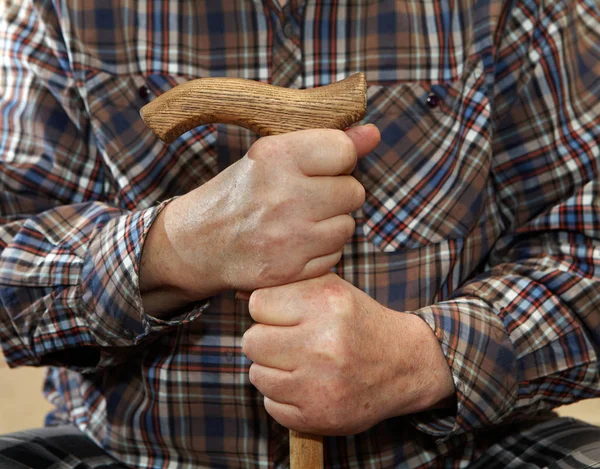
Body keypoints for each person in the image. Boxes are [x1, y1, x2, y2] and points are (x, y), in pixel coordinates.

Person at [0, 0, 598, 467]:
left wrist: (421, 360)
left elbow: (587, 246)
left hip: (462, 454)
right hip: (127, 452)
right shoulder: (58, 11)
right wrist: (173, 248)